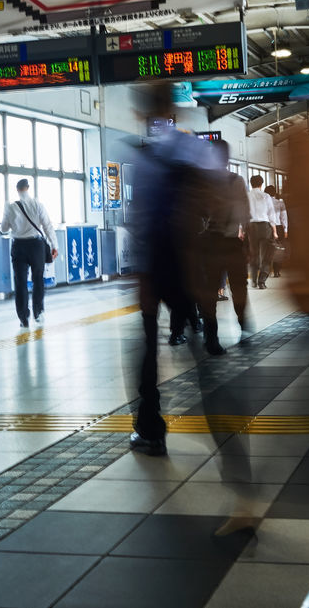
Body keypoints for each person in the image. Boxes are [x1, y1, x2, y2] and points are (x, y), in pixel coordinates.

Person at [126, 85, 218, 457]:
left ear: (141, 113)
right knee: (196, 342)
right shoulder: (193, 147)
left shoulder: (140, 156)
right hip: (187, 258)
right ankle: (221, 417)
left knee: (149, 347)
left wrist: (141, 274)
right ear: (173, 111)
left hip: (154, 264)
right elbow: (214, 192)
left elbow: (139, 219)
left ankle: (150, 429)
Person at [198, 139, 250, 353]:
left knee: (209, 291)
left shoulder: (203, 183)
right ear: (227, 159)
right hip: (230, 243)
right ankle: (243, 323)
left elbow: (198, 214)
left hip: (210, 243)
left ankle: (211, 338)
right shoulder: (235, 181)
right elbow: (245, 214)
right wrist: (248, 243)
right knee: (238, 286)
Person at [0, 178, 59, 328]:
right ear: (28, 187)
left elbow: (4, 228)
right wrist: (54, 245)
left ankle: (23, 317)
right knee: (38, 279)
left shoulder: (10, 207)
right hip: (36, 246)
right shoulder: (37, 204)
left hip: (19, 246)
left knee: (20, 282)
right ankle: (38, 313)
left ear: (17, 189)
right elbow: (47, 225)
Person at [246, 175, 276, 289]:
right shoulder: (266, 196)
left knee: (254, 254)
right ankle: (262, 281)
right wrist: (274, 231)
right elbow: (271, 214)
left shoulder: (246, 196)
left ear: (251, 183)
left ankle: (253, 280)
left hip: (251, 227)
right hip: (265, 227)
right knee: (267, 255)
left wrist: (241, 230)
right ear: (261, 184)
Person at [265, 184, 287, 277]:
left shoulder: (264, 203)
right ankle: (277, 271)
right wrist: (286, 230)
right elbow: (284, 218)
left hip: (266, 227)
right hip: (278, 227)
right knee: (278, 249)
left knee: (267, 250)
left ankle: (266, 271)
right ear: (275, 193)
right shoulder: (280, 203)